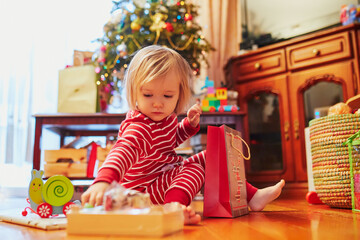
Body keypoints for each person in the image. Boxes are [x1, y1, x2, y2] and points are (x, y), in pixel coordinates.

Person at [81, 45, 285, 225]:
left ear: (179, 94)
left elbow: (169, 140)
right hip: (141, 193)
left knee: (211, 155)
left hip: (160, 178)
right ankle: (174, 208)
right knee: (194, 169)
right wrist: (103, 181)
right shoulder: (139, 127)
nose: (158, 103)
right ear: (134, 93)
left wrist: (187, 126)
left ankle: (252, 196)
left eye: (167, 96)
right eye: (148, 95)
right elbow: (122, 151)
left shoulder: (164, 118)